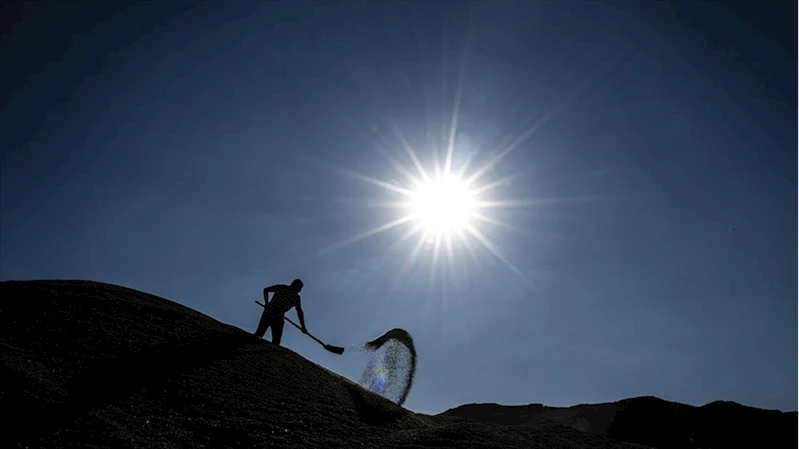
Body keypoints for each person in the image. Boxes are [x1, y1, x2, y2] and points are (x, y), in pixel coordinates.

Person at [254, 278, 308, 345]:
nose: (300, 290)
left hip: (268, 312)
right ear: (297, 287)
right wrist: (303, 327)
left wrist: (267, 303)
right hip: (277, 317)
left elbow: (266, 290)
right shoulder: (296, 297)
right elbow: (299, 312)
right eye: (300, 288)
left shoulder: (281, 287)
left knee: (259, 334)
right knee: (276, 341)